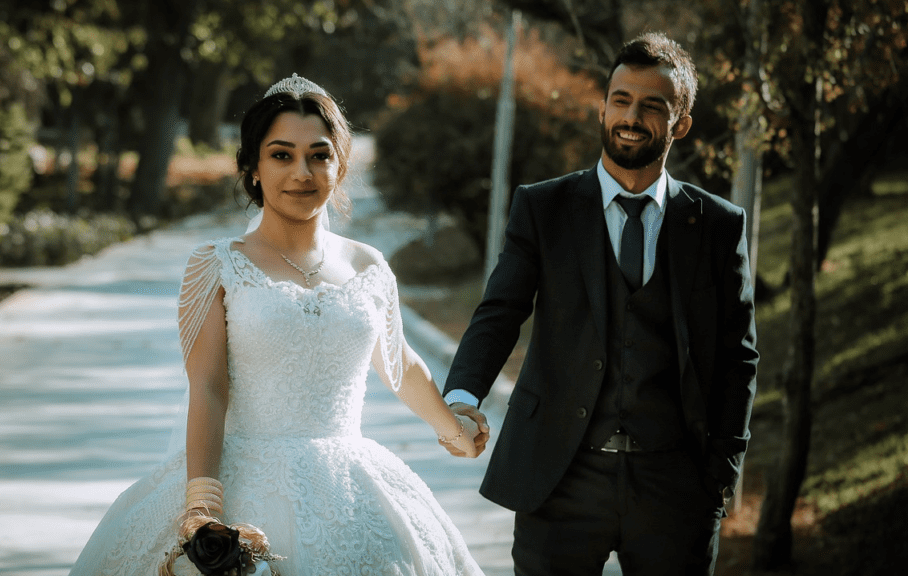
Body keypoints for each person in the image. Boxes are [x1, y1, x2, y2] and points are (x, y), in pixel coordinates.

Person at [69, 75, 486, 576]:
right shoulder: (217, 265)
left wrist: (454, 429)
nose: (302, 173)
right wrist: (202, 508)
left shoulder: (368, 265)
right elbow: (207, 387)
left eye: (320, 155)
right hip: (241, 479)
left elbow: (400, 364)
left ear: (340, 164)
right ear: (252, 167)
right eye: (282, 155)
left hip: (354, 487)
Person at [440, 33, 759, 575]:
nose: (631, 117)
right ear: (604, 105)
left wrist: (721, 474)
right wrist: (463, 395)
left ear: (679, 123)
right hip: (559, 479)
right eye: (621, 100)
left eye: (652, 106)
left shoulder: (717, 225)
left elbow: (739, 357)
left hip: (676, 487)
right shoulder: (544, 207)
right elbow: (500, 312)